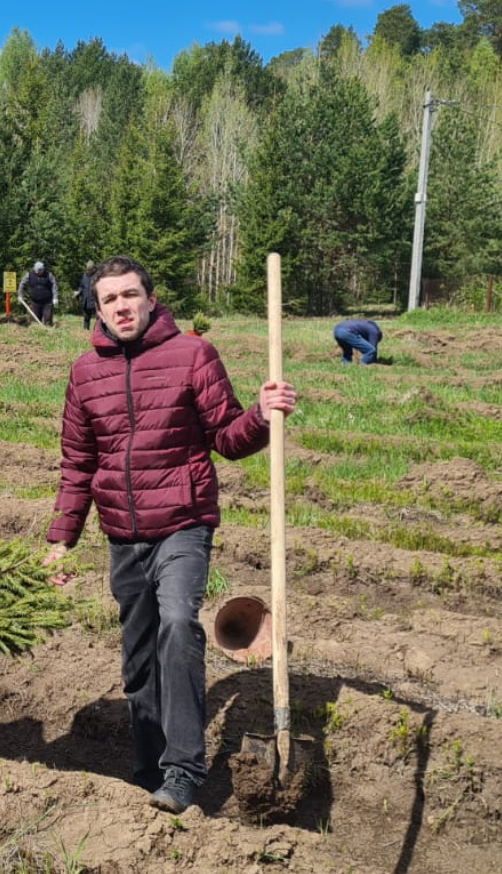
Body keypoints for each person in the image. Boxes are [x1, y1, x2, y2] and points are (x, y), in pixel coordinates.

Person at [43, 255, 297, 815]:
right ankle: (147, 764)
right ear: (98, 308)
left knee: (179, 626)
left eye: (130, 295)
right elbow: (77, 464)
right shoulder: (86, 373)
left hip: (183, 522)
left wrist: (261, 412)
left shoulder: (192, 354)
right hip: (121, 532)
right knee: (138, 656)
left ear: (151, 299)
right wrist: (62, 538)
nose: (122, 307)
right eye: (110, 299)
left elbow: (228, 437)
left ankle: (183, 772)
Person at [20, 260, 58, 326]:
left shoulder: (49, 275)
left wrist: (55, 297)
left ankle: (49, 332)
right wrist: (20, 295)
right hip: (35, 302)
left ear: (43, 269)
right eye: (37, 270)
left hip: (47, 302)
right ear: (34, 269)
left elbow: (54, 285)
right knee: (35, 320)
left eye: (40, 270)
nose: (38, 272)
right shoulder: (29, 275)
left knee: (48, 319)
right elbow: (22, 284)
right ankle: (37, 333)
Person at [77, 260, 97, 330]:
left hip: (95, 301)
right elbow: (81, 286)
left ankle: (97, 332)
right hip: (85, 300)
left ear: (93, 269)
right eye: (88, 270)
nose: (89, 271)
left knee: (98, 319)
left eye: (90, 270)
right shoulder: (84, 275)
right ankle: (85, 330)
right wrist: (79, 292)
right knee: (86, 318)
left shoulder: (97, 276)